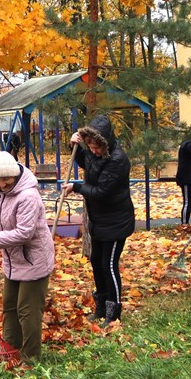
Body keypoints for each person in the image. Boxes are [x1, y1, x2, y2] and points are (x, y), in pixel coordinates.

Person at [0, 150, 55, 361]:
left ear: (15, 174)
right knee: (9, 306)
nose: (2, 184)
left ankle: (30, 357)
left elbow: (24, 233)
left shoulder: (28, 196)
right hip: (13, 260)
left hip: (33, 259)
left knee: (27, 310)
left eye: (6, 179)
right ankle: (10, 348)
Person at [63, 117, 135, 324]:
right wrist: (74, 146)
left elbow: (102, 191)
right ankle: (101, 307)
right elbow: (87, 163)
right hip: (99, 220)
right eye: (91, 147)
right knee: (96, 261)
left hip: (116, 221)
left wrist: (77, 187)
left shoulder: (117, 159)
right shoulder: (96, 154)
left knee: (108, 265)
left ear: (105, 143)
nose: (94, 151)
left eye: (97, 148)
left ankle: (114, 312)